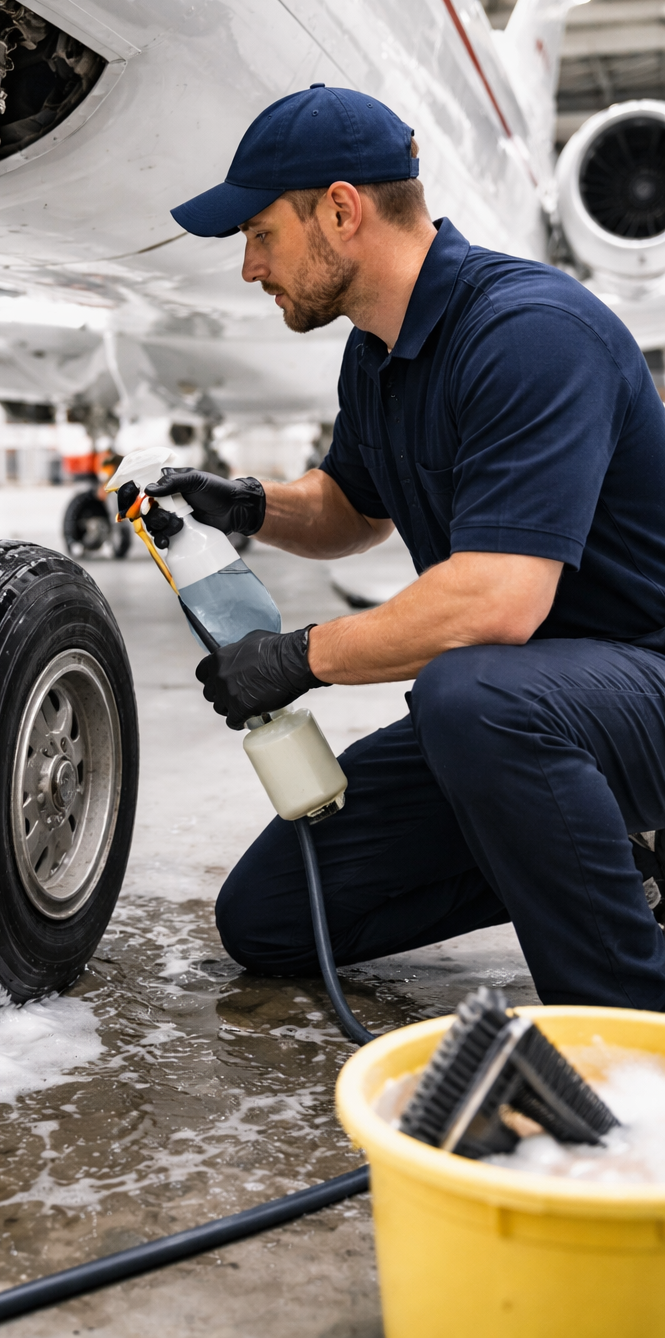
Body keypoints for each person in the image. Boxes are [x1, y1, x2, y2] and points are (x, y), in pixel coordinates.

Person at [147, 84, 665, 1010]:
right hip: (533, 710)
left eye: (260, 234)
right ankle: (597, 851)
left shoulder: (529, 334)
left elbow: (498, 602)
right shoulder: (378, 350)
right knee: (267, 919)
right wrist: (249, 506)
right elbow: (355, 507)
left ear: (340, 212)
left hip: (635, 686)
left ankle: (628, 1016)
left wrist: (299, 658)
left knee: (466, 692)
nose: (249, 267)